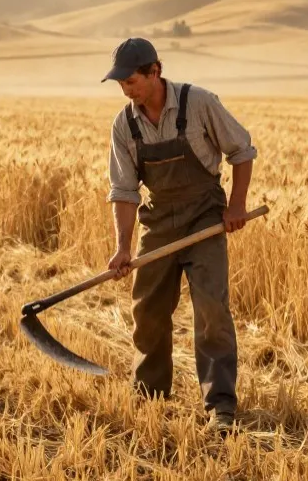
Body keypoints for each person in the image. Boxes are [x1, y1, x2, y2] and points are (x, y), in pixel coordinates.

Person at [103, 37, 257, 432]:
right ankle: (150, 394)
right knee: (148, 310)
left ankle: (220, 405)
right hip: (158, 223)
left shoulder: (199, 103)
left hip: (205, 218)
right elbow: (124, 191)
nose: (126, 89)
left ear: (155, 71)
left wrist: (236, 206)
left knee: (211, 311)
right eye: (121, 83)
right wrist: (122, 247)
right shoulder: (125, 124)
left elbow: (241, 150)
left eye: (132, 80)